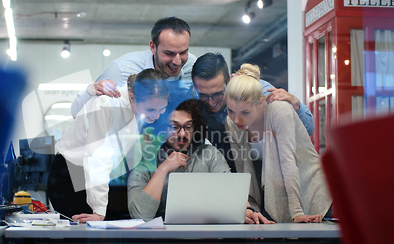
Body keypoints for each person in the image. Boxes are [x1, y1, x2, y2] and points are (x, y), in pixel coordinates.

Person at [127, 99, 273, 224]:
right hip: (162, 242)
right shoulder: (145, 163)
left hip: (206, 239)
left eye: (188, 127)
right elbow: (141, 215)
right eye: (174, 127)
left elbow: (229, 191)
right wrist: (163, 169)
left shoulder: (208, 154)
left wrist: (246, 211)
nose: (182, 134)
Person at [53, 69, 170, 223]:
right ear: (132, 97)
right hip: (71, 177)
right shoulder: (107, 103)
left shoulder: (136, 108)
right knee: (83, 238)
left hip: (99, 179)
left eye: (162, 109)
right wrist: (99, 210)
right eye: (150, 109)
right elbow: (97, 157)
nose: (156, 116)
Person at [224, 63, 332, 223]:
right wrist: (251, 209)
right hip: (278, 196)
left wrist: (296, 212)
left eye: (245, 112)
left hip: (311, 188)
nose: (237, 119)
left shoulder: (279, 111)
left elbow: (288, 163)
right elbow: (244, 172)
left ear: (260, 103)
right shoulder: (231, 123)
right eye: (231, 111)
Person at [191, 53, 315, 171]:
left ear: (229, 81)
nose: (211, 101)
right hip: (228, 172)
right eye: (203, 95)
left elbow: (308, 128)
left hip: (269, 172)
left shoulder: (255, 91)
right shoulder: (193, 103)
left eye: (217, 94)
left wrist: (295, 105)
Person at [70, 16, 196, 118]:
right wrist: (89, 90)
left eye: (184, 52)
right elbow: (80, 114)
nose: (177, 61)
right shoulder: (120, 71)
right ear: (153, 47)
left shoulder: (192, 66)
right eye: (169, 53)